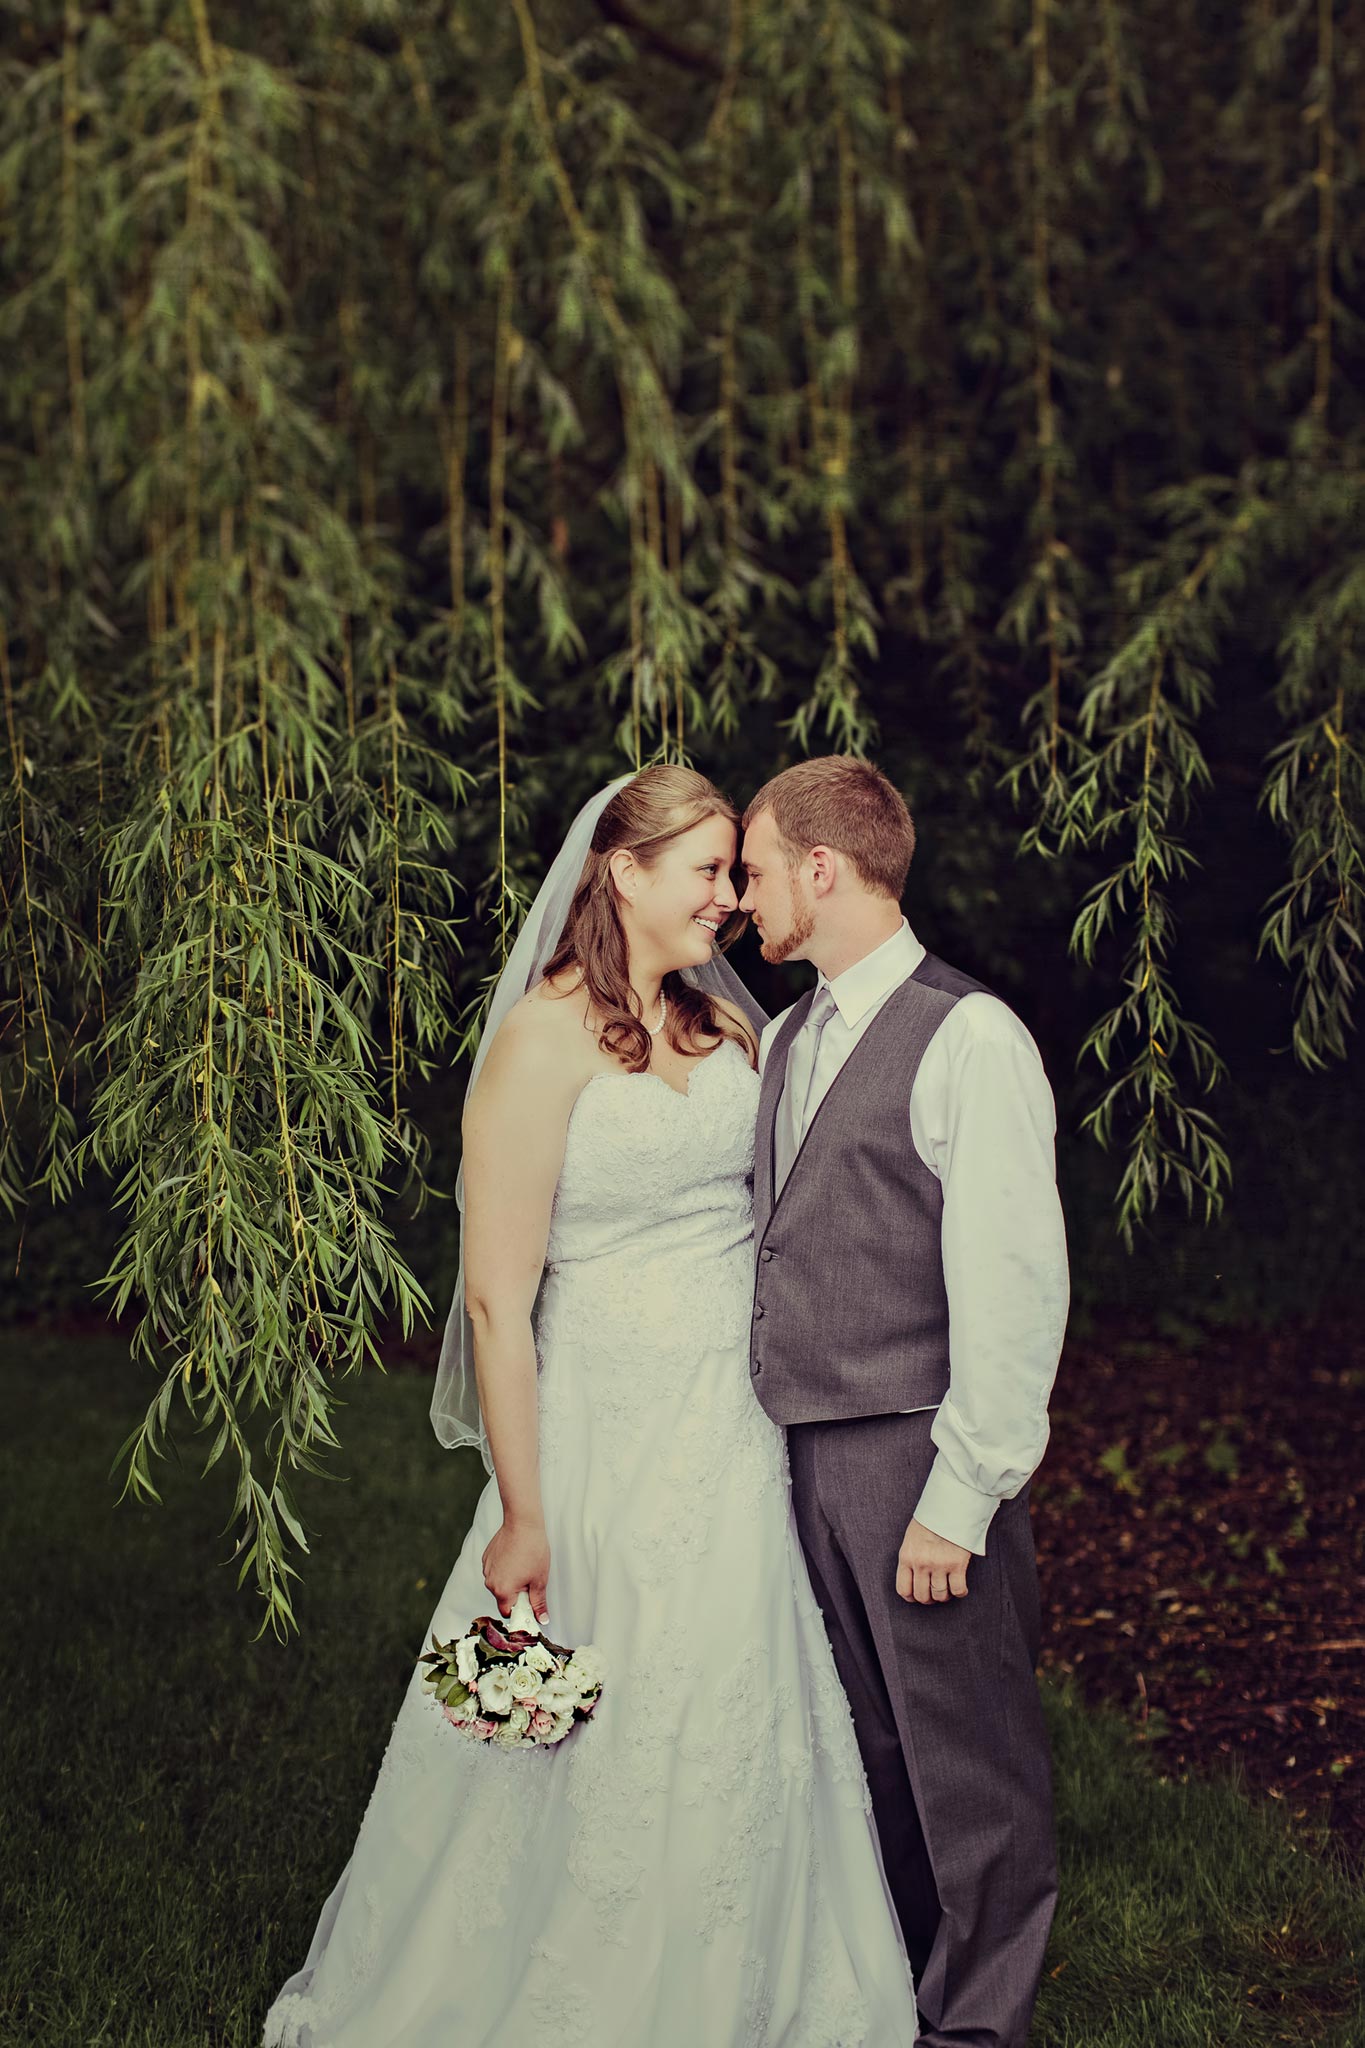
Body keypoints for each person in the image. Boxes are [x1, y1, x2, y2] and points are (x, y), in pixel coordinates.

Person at [262, 764, 921, 2047]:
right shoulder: (535, 1046)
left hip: (733, 1432)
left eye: (738, 873)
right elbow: (502, 1301)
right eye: (709, 872)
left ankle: (752, 1980)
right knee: (582, 1728)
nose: (731, 901)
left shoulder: (728, 1030)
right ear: (622, 872)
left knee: (738, 1703)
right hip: (602, 1434)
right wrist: (523, 1507)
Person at [738, 756, 1069, 2048]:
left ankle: (979, 2029)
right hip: (804, 1461)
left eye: (757, 870)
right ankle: (902, 1995)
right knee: (867, 1751)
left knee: (965, 1763)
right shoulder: (784, 1038)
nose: (742, 899)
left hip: (913, 1460)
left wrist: (959, 1493)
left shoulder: (967, 1036)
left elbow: (1012, 1284)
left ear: (824, 870)